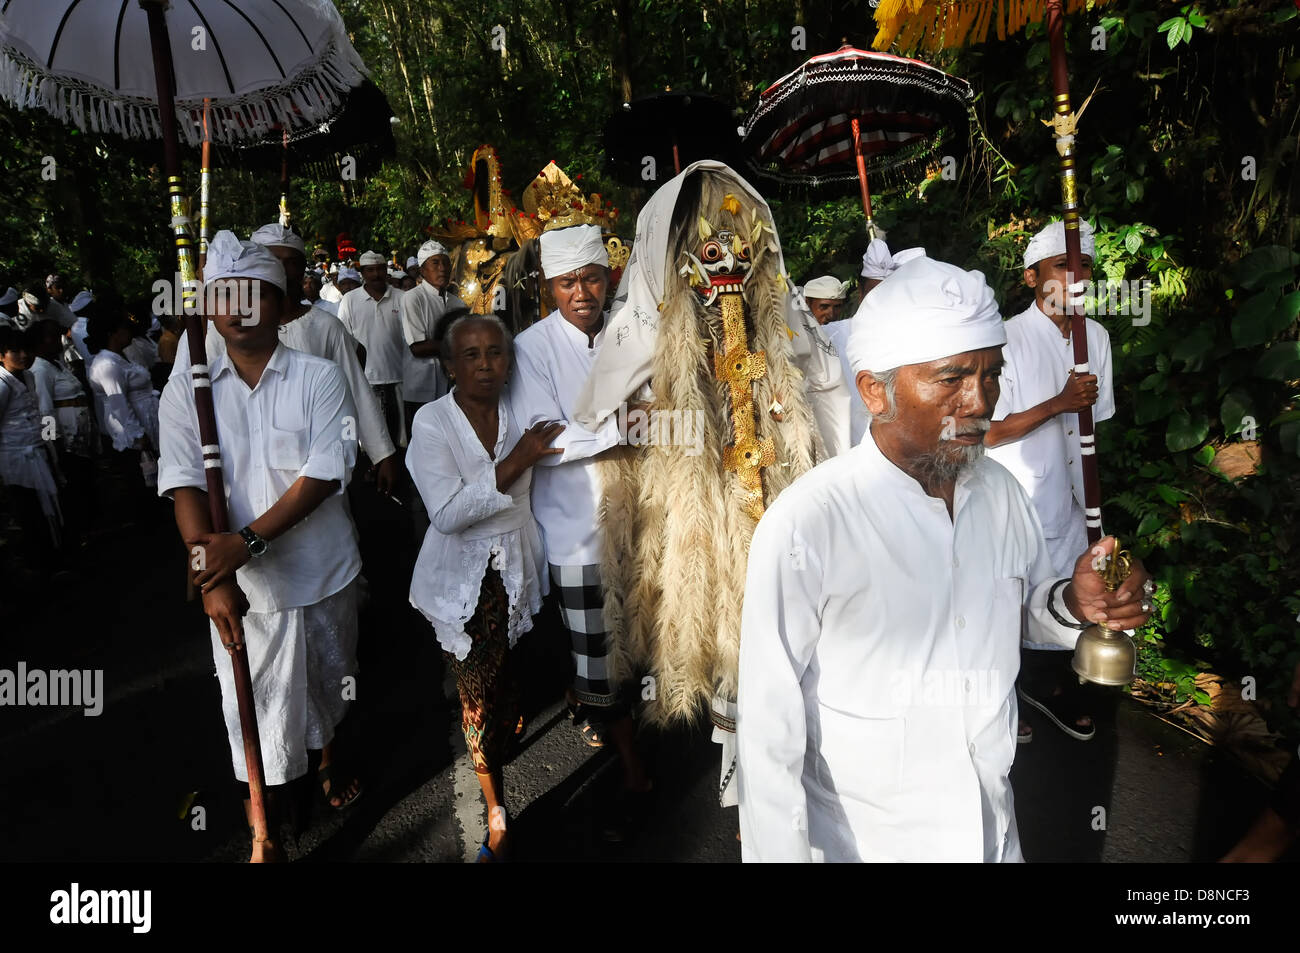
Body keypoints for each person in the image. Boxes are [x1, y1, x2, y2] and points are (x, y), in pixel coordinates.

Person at [735, 255, 1154, 862]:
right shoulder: (811, 521)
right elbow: (768, 725)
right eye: (952, 378)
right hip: (865, 844)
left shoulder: (999, 492)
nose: (978, 402)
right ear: (875, 391)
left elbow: (1024, 609)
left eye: (990, 376)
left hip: (991, 829)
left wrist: (1073, 601)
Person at [572, 162, 830, 811]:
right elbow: (600, 415)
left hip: (778, 504)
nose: (727, 265)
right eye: (710, 251)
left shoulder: (780, 313)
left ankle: (780, 792)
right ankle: (749, 797)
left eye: (740, 251)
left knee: (791, 655)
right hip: (704, 535)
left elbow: (824, 381)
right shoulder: (645, 327)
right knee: (736, 657)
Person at [158, 231, 365, 863]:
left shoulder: (319, 376)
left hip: (324, 574)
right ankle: (262, 829)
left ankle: (327, 757)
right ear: (209, 306)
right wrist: (209, 574)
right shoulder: (186, 388)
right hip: (244, 591)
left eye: (256, 294)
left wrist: (241, 545)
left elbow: (325, 472)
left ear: (281, 305)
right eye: (225, 294)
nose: (240, 307)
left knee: (330, 689)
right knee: (247, 707)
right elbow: (182, 483)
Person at [509, 223, 653, 838]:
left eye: (592, 278)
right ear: (549, 287)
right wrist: (620, 430)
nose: (582, 291)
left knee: (641, 638)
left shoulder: (631, 336)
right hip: (574, 527)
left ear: (607, 277)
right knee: (596, 651)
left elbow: (663, 414)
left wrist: (626, 427)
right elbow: (543, 439)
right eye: (568, 282)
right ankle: (631, 768)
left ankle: (617, 722)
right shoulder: (530, 347)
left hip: (641, 518)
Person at [408, 313, 562, 861]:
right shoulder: (432, 423)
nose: (484, 365)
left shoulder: (523, 410)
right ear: (449, 365)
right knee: (477, 696)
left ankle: (504, 717)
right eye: (470, 355)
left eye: (494, 353)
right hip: (463, 581)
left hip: (519, 562)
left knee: (506, 674)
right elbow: (448, 515)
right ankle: (496, 813)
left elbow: (580, 432)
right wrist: (518, 459)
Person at [986, 220, 1114, 744]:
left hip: (1076, 501)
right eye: (1063, 265)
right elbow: (988, 434)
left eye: (1083, 265)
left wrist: (1095, 501)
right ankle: (1002, 699)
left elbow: (1094, 430)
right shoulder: (1006, 340)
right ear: (1031, 277)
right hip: (1018, 498)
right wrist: (1058, 403)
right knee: (1011, 599)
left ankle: (1054, 691)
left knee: (1070, 594)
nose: (1076, 275)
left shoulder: (1097, 337)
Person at [0, 326, 63, 580]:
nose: (24, 355)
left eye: (27, 350)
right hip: (15, 459)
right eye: (15, 351)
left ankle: (53, 558)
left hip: (38, 449)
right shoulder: (3, 385)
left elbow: (40, 413)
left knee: (46, 506)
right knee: (28, 511)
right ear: (2, 355)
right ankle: (40, 564)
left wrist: (50, 444)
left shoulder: (29, 377)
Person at [29, 320, 93, 552]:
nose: (58, 342)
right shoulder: (39, 369)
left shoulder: (57, 364)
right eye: (51, 337)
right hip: (65, 441)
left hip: (79, 435)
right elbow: (45, 410)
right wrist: (53, 444)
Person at [86, 301, 159, 493]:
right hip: (133, 431)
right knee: (140, 480)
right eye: (124, 329)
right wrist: (138, 434)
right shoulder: (107, 364)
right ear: (113, 334)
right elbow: (119, 404)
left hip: (148, 420)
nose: (129, 333)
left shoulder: (122, 357)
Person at [338, 251, 407, 448]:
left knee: (401, 439)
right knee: (371, 441)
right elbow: (345, 340)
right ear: (362, 273)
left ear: (386, 271)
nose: (376, 274)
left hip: (400, 378)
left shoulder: (402, 297)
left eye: (380, 269)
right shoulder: (350, 300)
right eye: (370, 270)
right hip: (365, 381)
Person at [400, 240, 466, 437]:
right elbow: (418, 348)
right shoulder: (413, 298)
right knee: (423, 443)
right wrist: (457, 346)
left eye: (446, 263)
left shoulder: (457, 303)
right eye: (435, 263)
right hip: (420, 388)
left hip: (451, 388)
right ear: (422, 270)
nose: (442, 268)